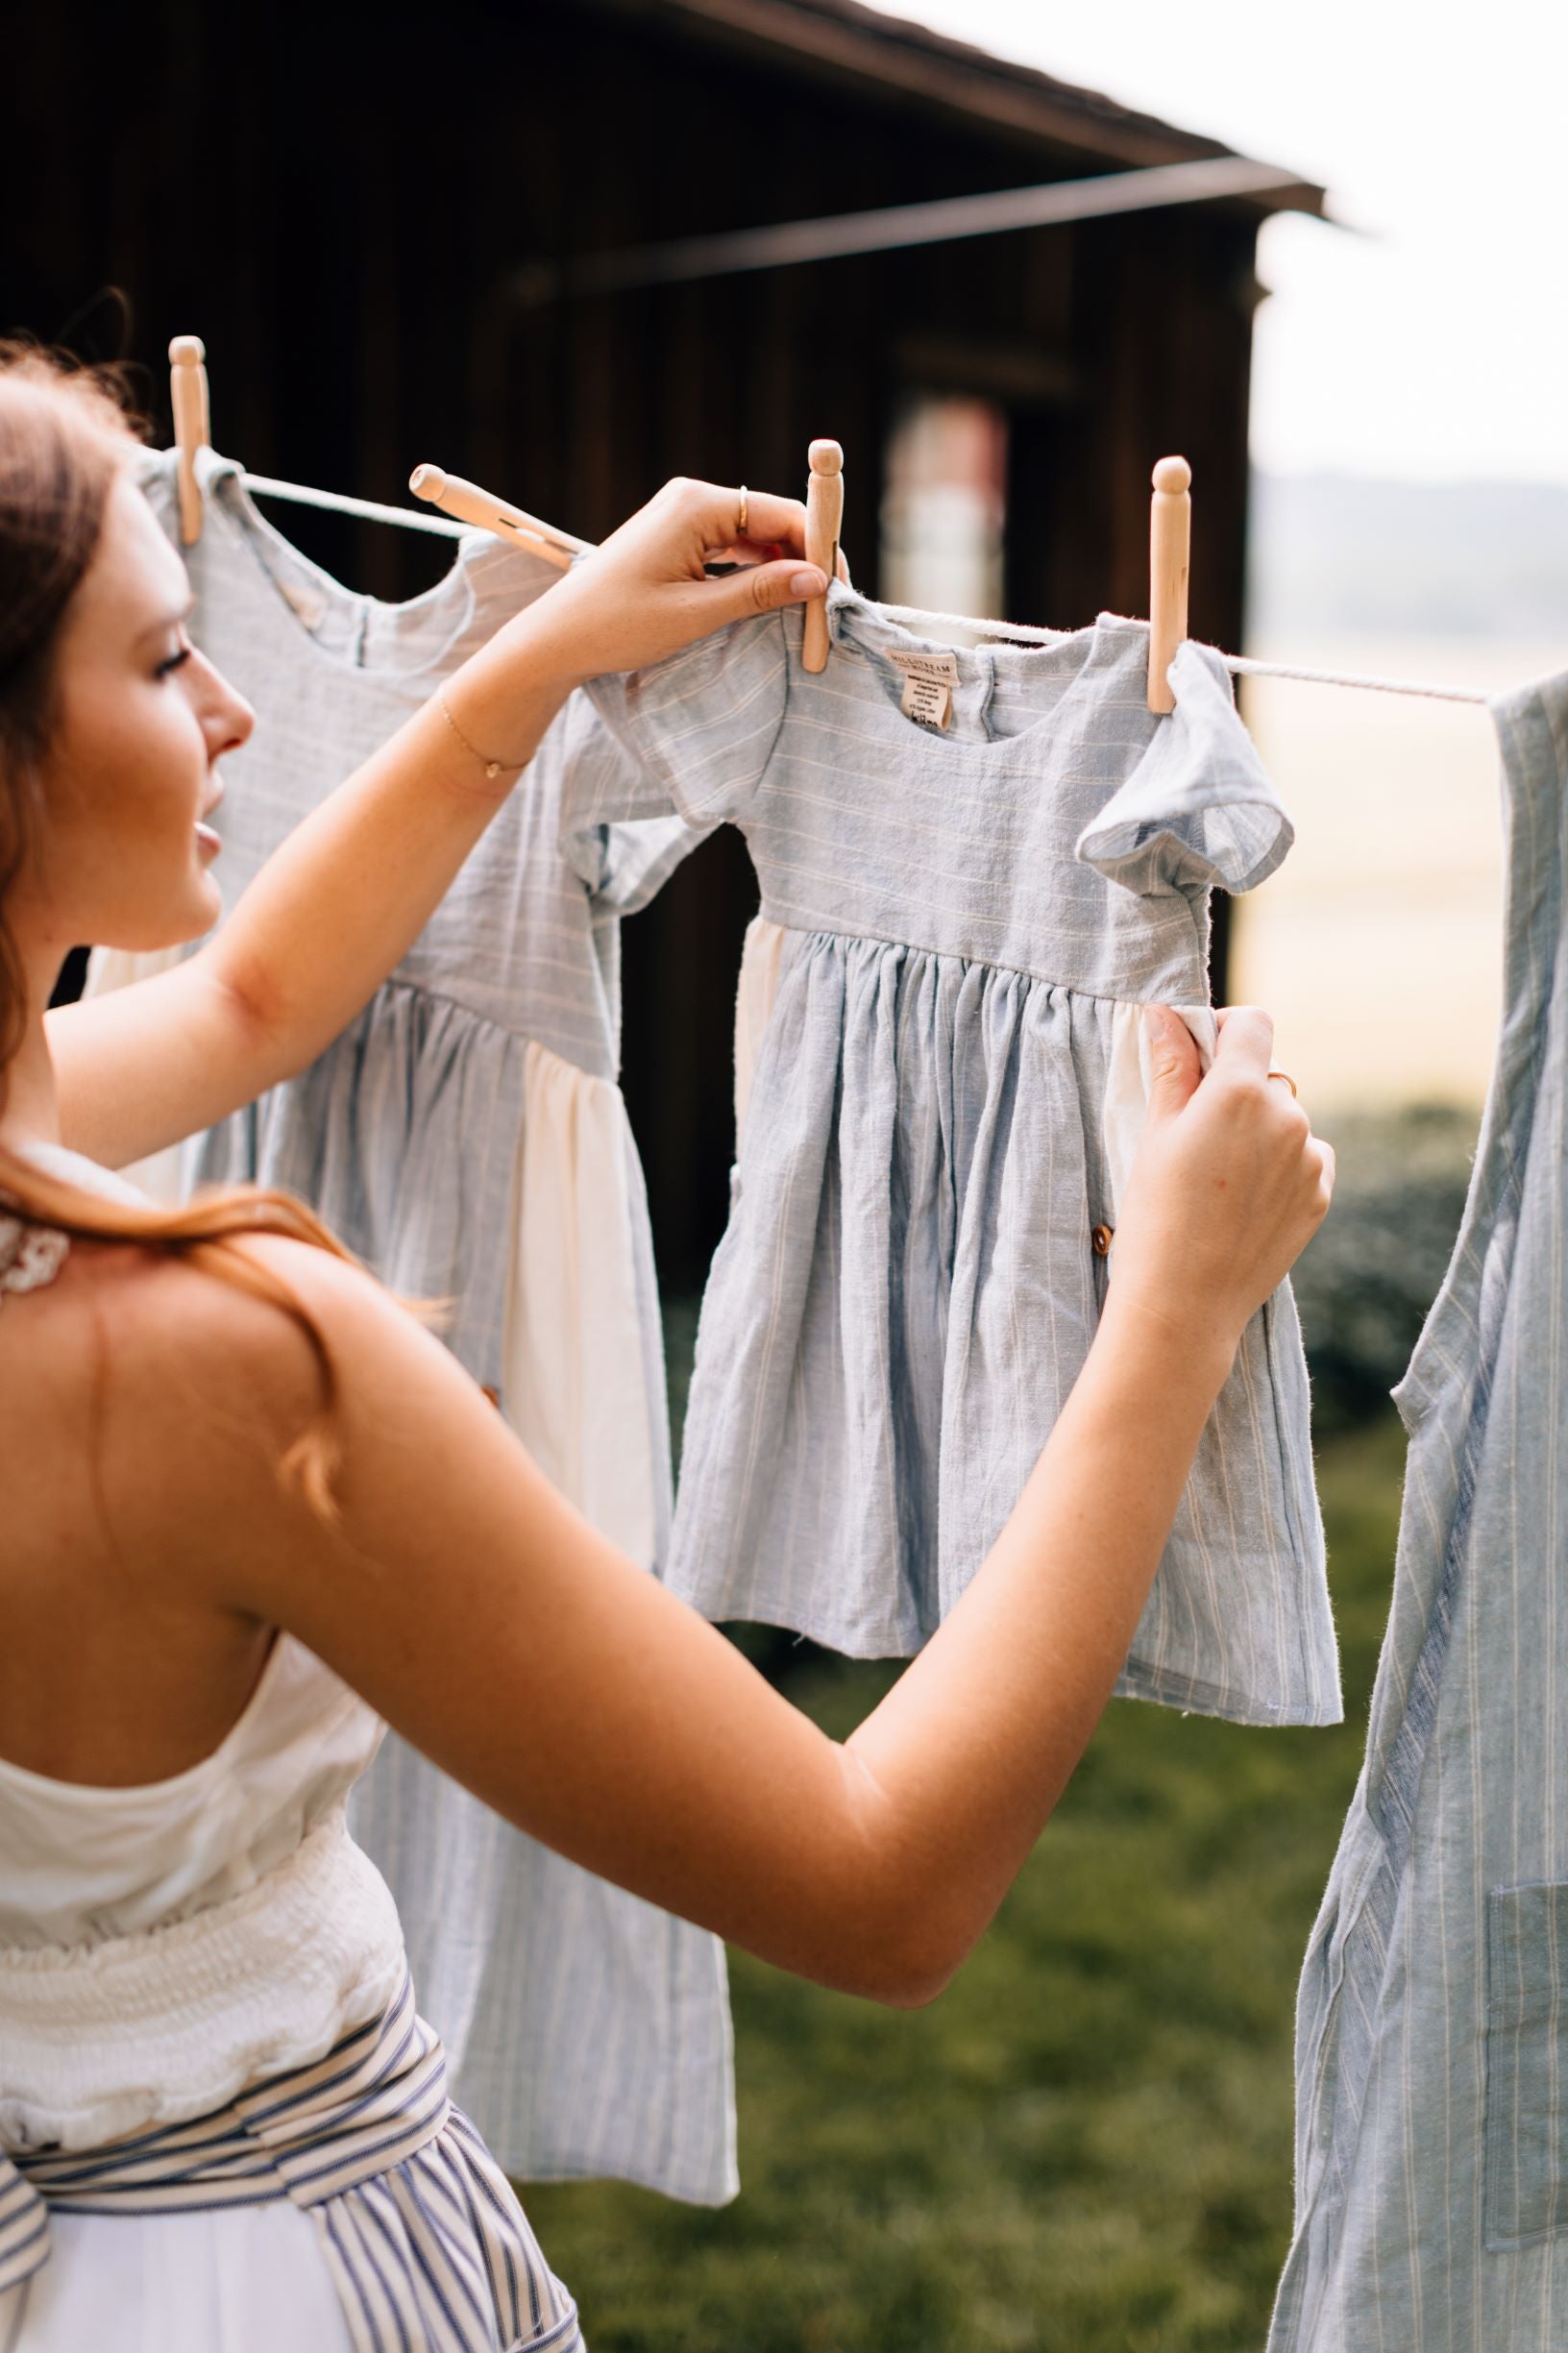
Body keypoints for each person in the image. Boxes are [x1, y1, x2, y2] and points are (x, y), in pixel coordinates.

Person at [0, 348, 1333, 2352]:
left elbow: (253, 1000)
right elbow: (877, 1886)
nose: (236, 710)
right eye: (163, 657)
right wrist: (1171, 1307)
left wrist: (537, 658)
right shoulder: (232, 1369)